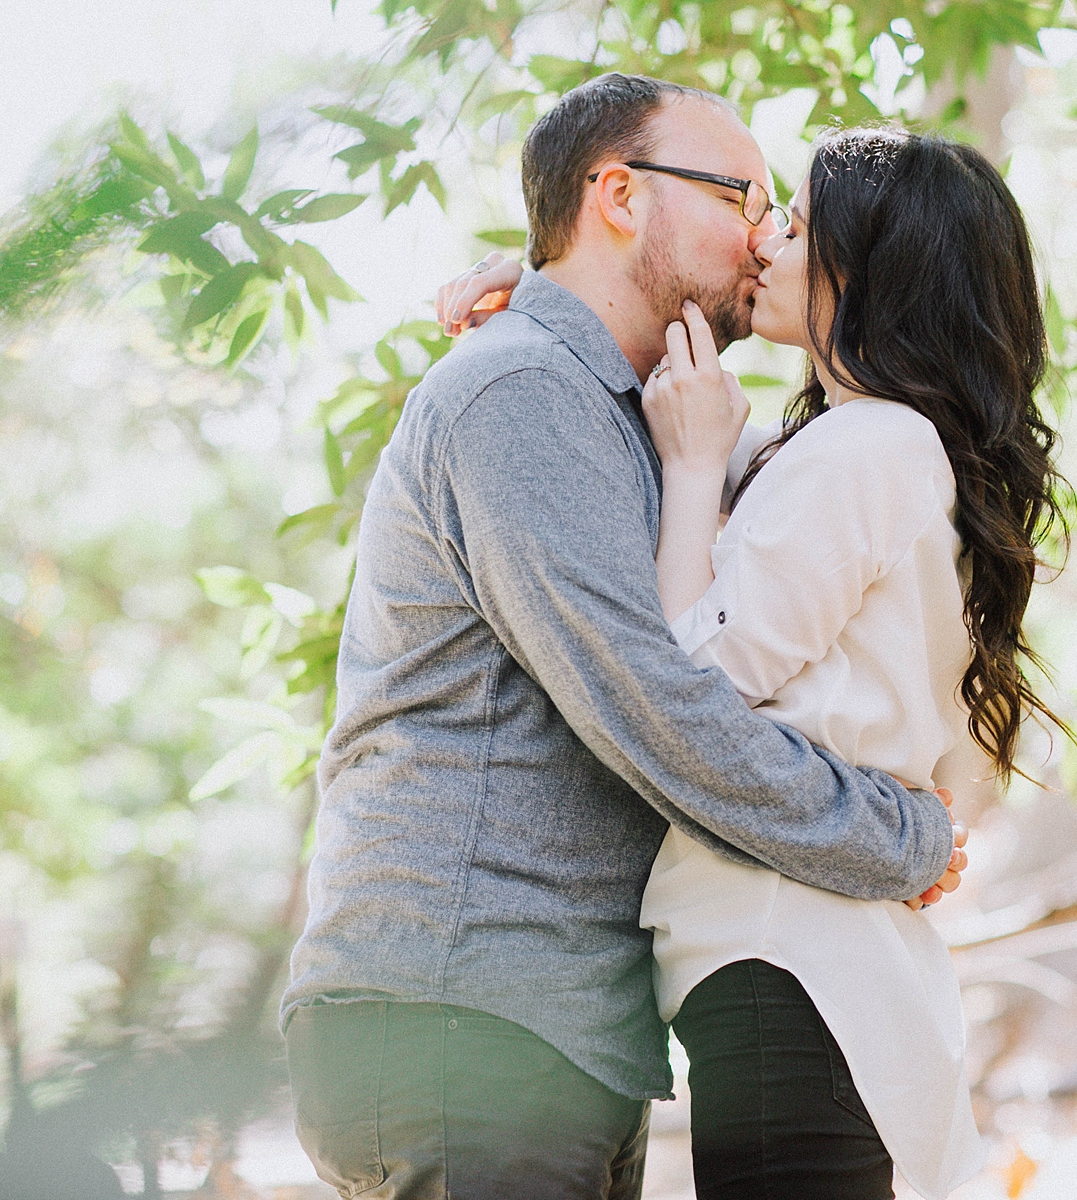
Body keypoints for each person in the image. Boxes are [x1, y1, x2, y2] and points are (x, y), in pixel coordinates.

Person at [279, 75, 967, 1200]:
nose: (764, 237)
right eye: (743, 197)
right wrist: (897, 836)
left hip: (553, 1033)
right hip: (467, 1013)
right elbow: (655, 703)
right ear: (618, 196)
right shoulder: (519, 393)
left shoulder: (616, 408)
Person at [441, 126, 1065, 1199]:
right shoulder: (847, 448)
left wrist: (691, 469)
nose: (764, 241)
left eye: (799, 224)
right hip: (800, 954)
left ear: (871, 269)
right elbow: (649, 360)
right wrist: (548, 282)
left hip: (791, 956)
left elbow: (694, 681)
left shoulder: (867, 446)